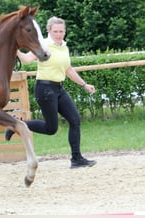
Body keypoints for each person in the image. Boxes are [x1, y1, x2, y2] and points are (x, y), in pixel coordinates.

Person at [6, 16, 96, 168]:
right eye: (55, 31)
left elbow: (67, 69)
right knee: (50, 129)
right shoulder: (43, 45)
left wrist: (84, 84)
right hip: (45, 89)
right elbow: (27, 59)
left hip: (59, 89)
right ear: (49, 31)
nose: (59, 34)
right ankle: (16, 125)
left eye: (61, 31)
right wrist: (16, 50)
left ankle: (76, 159)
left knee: (75, 120)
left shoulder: (64, 47)